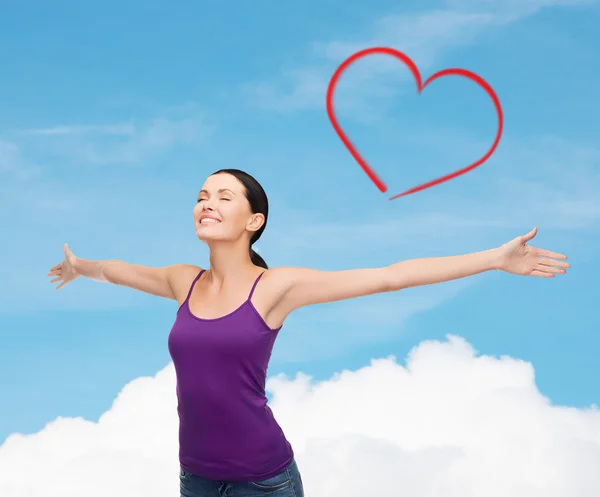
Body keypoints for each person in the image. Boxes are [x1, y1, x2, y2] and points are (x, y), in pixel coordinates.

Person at [47, 168, 569, 497]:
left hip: (263, 480)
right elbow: (117, 269)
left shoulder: (275, 288)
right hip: (195, 478)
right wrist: (80, 267)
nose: (208, 202)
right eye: (203, 195)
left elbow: (390, 276)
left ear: (255, 221)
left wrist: (494, 259)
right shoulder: (183, 281)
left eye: (225, 197)